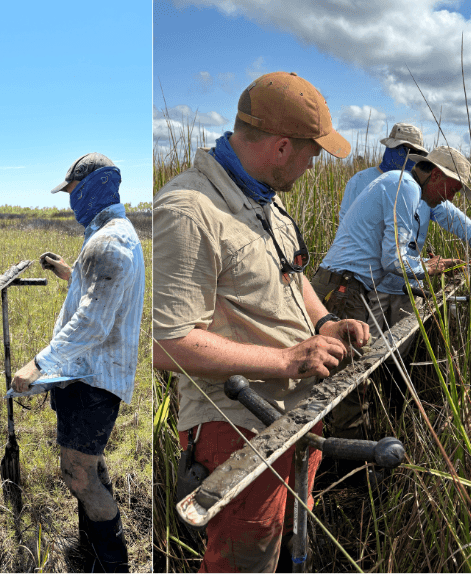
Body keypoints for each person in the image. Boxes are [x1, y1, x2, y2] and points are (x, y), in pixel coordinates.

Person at [153, 71, 370, 573]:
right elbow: (168, 344)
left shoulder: (264, 203)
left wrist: (325, 324)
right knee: (244, 560)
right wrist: (287, 359)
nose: (313, 165)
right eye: (312, 153)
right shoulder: (189, 211)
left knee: (283, 542)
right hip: (240, 430)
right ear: (280, 147)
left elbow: (292, 279)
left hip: (294, 416)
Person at [11, 153, 144, 573]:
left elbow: (93, 321)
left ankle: (111, 564)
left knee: (78, 474)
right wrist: (71, 273)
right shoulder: (107, 235)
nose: (70, 201)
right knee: (88, 466)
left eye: (71, 192)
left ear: (89, 190)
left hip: (91, 378)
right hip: (85, 373)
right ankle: (91, 550)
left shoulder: (109, 241)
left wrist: (38, 364)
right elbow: (102, 292)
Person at [311, 146, 471, 438]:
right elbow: (394, 259)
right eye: (453, 189)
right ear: (436, 174)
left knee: (350, 379)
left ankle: (349, 455)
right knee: (352, 385)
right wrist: (431, 268)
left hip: (346, 286)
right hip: (343, 287)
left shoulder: (401, 184)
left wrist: (429, 264)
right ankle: (356, 469)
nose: (451, 198)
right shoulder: (406, 187)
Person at [330, 123, 471, 336]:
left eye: (414, 152)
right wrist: (427, 267)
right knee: (363, 351)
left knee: (394, 348)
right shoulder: (388, 183)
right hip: (367, 283)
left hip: (404, 282)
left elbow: (456, 220)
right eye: (403, 149)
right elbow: (358, 239)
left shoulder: (420, 189)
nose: (406, 156)